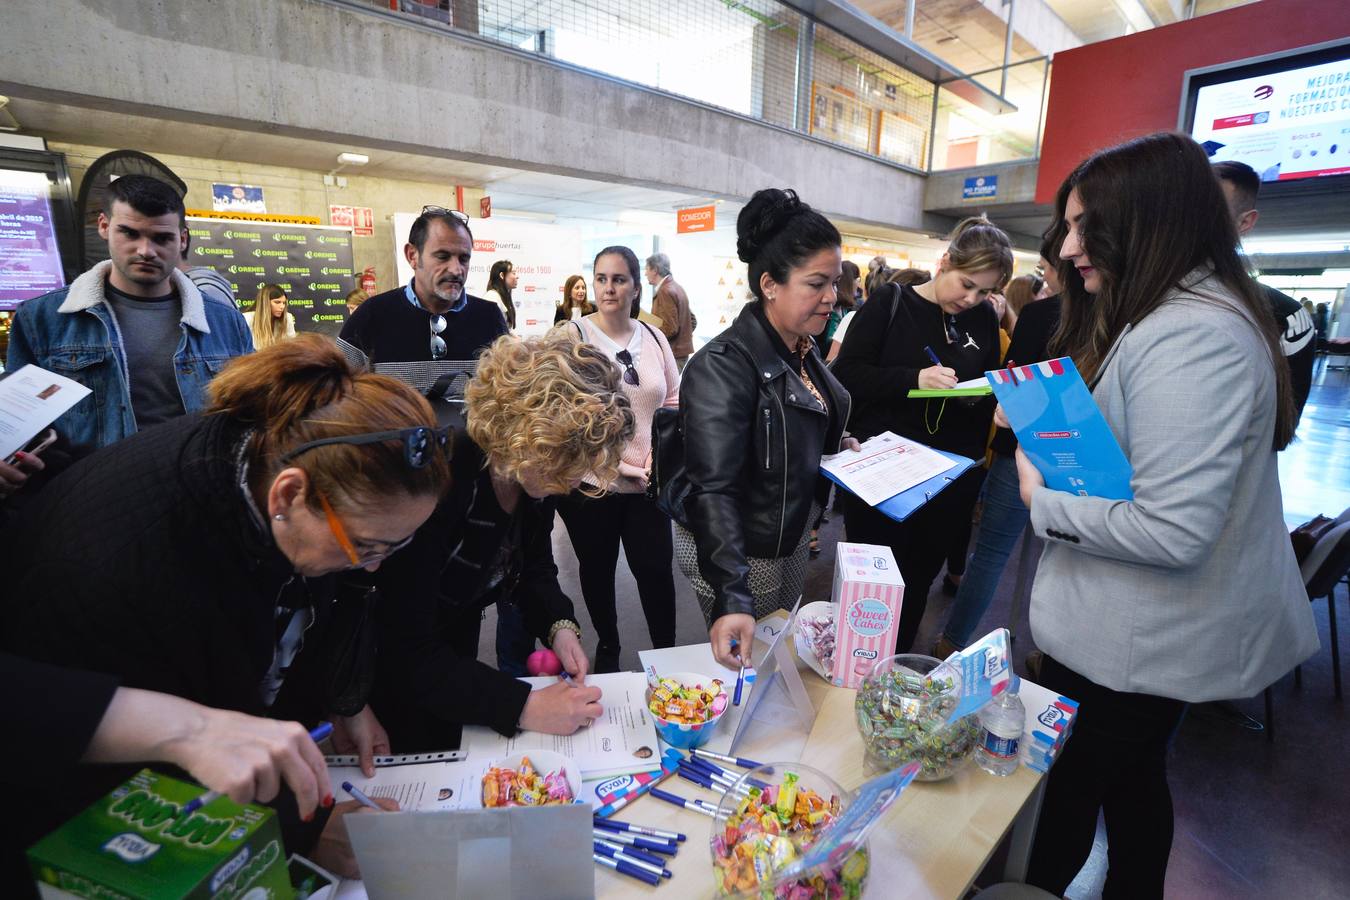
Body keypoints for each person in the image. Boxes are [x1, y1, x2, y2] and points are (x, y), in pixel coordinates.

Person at [1, 335, 451, 878]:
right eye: (367, 546)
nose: (373, 566)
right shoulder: (133, 562)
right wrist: (297, 827)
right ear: (287, 496)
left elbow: (306, 610)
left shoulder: (271, 458)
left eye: (395, 547)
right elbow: (156, 761)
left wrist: (341, 695)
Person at [1019, 133, 1318, 898]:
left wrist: (1041, 495)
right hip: (1135, 640)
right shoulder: (1178, 315)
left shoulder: (1194, 334)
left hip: (1138, 644)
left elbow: (1171, 529)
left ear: (1147, 222)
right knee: (1131, 786)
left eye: (1088, 226)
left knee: (1072, 799)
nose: (1072, 246)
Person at [369, 333, 636, 748]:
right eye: (570, 461)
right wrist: (524, 706)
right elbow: (404, 645)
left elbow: (533, 567)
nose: (572, 480)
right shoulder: (444, 479)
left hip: (450, 652)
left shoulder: (531, 475)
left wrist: (558, 626)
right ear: (531, 433)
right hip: (383, 677)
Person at [672, 188, 855, 670]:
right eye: (816, 284)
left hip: (788, 532)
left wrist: (838, 448)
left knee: (775, 651)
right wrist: (732, 594)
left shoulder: (800, 346)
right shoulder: (723, 366)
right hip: (744, 550)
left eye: (834, 283)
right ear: (771, 284)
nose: (831, 298)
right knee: (749, 665)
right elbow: (713, 490)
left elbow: (802, 427)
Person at [832, 217, 1010, 654]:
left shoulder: (984, 318)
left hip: (951, 479)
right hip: (885, 477)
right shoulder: (889, 303)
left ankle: (893, 675)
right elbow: (846, 375)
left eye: (984, 291)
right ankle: (856, 671)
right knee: (874, 585)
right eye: (966, 284)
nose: (972, 299)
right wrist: (913, 378)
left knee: (918, 582)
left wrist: (996, 403)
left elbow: (985, 379)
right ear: (944, 262)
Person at [5, 173, 252, 454]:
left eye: (162, 238)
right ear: (103, 226)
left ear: (182, 239)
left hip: (198, 484)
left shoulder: (225, 322)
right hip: (88, 488)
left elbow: (250, 412)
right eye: (130, 233)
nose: (146, 251)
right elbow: (20, 426)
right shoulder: (43, 319)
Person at [932, 233, 1064, 657]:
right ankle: (1046, 653)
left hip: (1017, 447)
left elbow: (1014, 383)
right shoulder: (1115, 317)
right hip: (1063, 451)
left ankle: (950, 646)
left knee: (990, 553)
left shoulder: (1041, 315)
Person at [557, 247, 681, 672]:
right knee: (597, 569)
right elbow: (565, 416)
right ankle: (608, 644)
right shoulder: (572, 337)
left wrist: (658, 457)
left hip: (648, 483)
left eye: (619, 279)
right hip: (594, 485)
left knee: (656, 572)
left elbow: (672, 399)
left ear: (636, 286)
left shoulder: (656, 337)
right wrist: (622, 466)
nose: (609, 288)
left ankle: (667, 654)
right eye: (602, 278)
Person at [1213, 160, 1315, 422]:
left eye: (1211, 212)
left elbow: (1284, 425)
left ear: (1245, 222)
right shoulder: (1133, 296)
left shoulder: (1289, 317)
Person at [339, 207, 506, 365]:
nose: (456, 270)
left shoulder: (490, 317)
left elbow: (509, 390)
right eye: (442, 256)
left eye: (464, 259)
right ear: (412, 256)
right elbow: (335, 389)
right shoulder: (370, 315)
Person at [646, 252, 695, 370]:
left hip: (672, 355)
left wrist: (647, 332)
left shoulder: (665, 291)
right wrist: (683, 338)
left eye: (647, 269)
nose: (645, 273)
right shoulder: (676, 287)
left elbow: (670, 328)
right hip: (679, 354)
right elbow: (692, 320)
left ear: (655, 270)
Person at [823, 260, 862, 364]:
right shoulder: (823, 309)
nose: (859, 285)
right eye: (858, 280)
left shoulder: (848, 310)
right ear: (850, 282)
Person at [244, 283, 298, 349]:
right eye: (277, 302)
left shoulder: (288, 318)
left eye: (284, 303)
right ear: (265, 302)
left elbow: (292, 345)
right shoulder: (247, 319)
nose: (282, 307)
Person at [486, 259, 518, 331]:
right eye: (513, 273)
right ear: (502, 275)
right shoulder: (492, 298)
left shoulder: (502, 297)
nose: (517, 277)